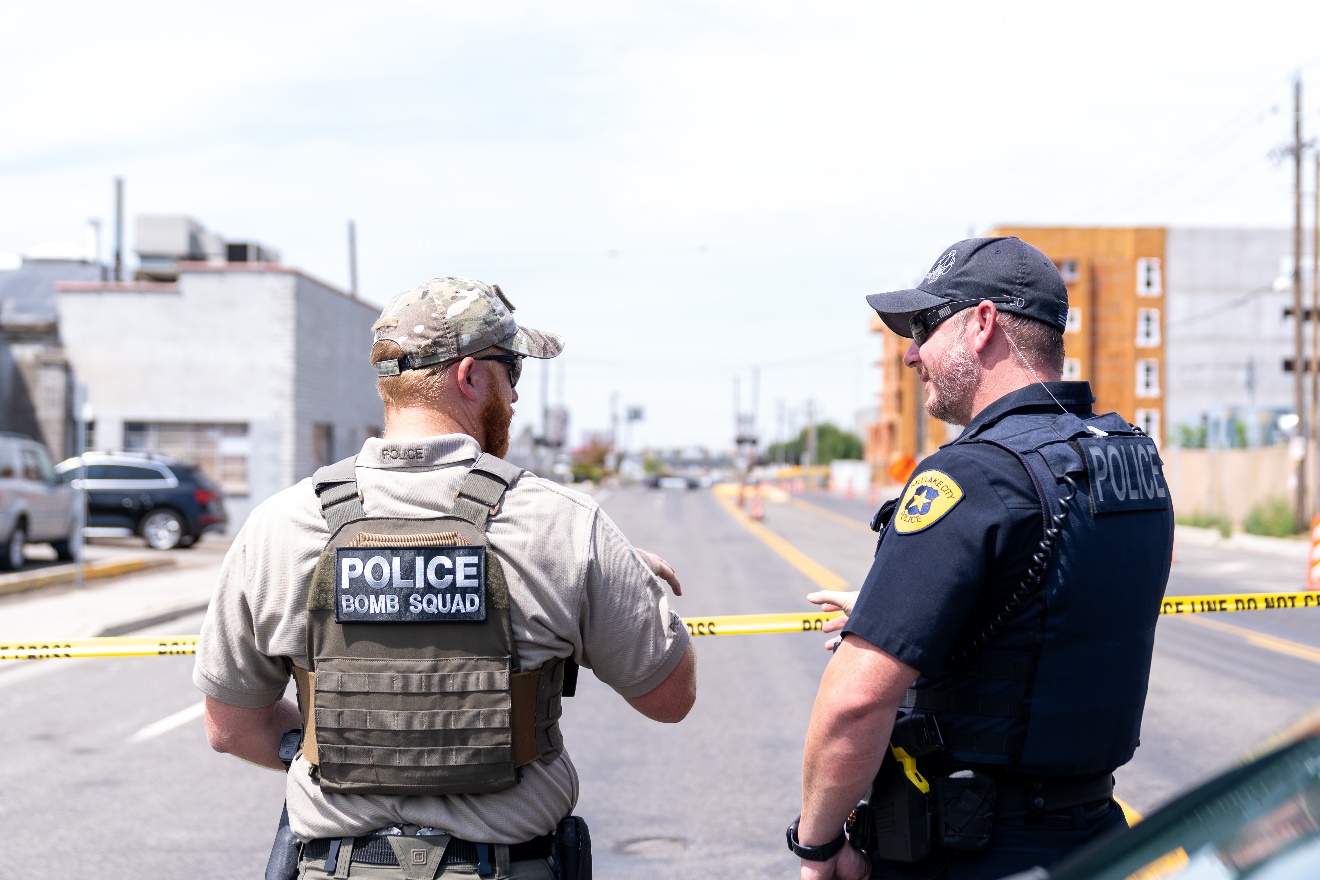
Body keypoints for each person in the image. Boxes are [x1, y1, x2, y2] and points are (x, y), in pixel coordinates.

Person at [194, 277, 697, 880]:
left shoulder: (278, 525)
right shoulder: (563, 525)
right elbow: (670, 698)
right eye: (511, 370)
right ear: (468, 376)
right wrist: (623, 574)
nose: (513, 396)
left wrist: (349, 739)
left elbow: (231, 727)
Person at [788, 238, 1173, 880]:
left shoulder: (971, 477)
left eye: (922, 328)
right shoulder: (1128, 460)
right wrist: (911, 611)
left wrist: (818, 848)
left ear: (983, 324)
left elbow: (855, 703)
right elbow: (1063, 610)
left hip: (977, 849)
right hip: (1097, 841)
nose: (911, 355)